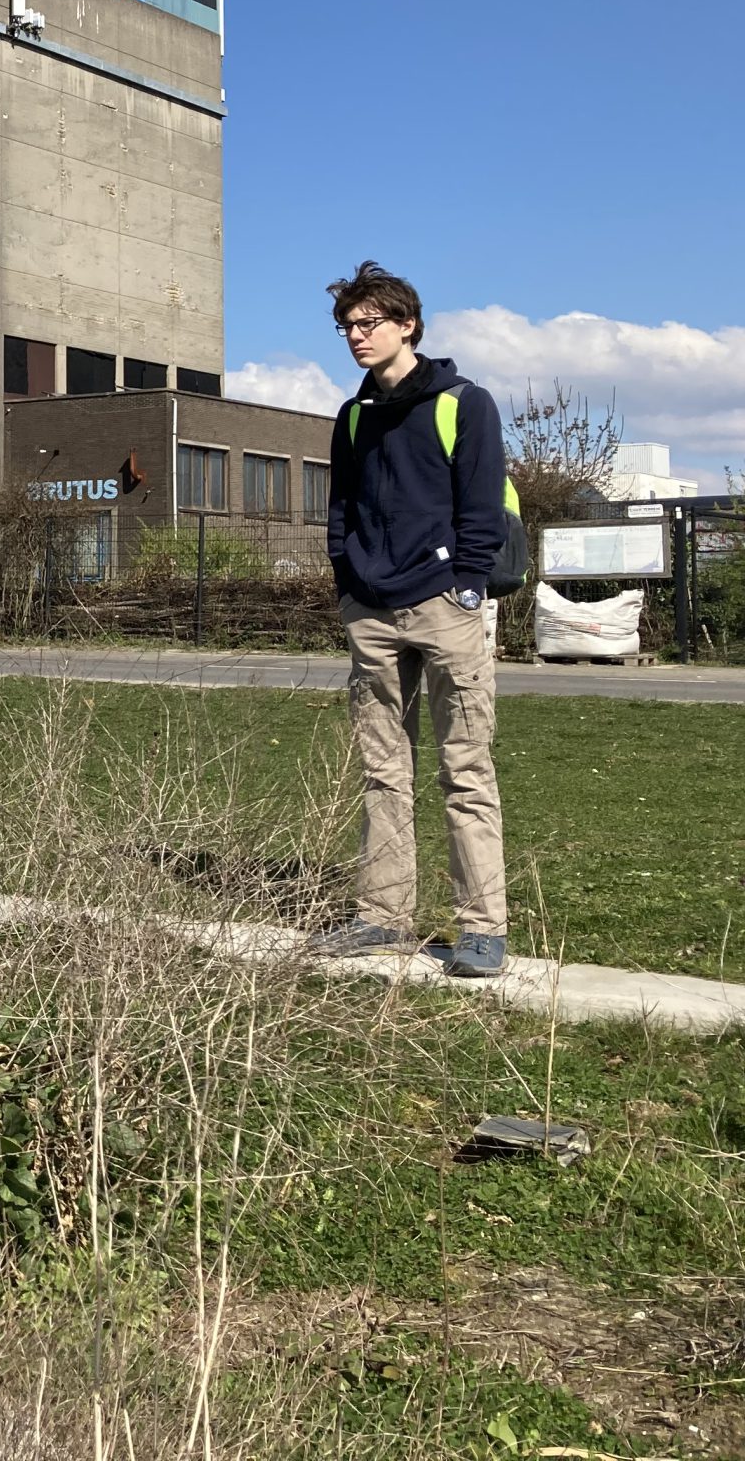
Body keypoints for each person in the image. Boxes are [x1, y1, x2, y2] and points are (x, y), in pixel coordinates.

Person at [309, 261, 512, 979]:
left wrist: (467, 588)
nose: (356, 337)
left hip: (444, 606)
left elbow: (482, 507)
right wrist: (348, 583)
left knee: (466, 769)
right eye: (346, 326)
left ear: (408, 325)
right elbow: (341, 509)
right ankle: (381, 917)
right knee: (382, 772)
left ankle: (481, 928)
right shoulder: (354, 415)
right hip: (370, 610)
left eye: (368, 323)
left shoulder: (463, 403)